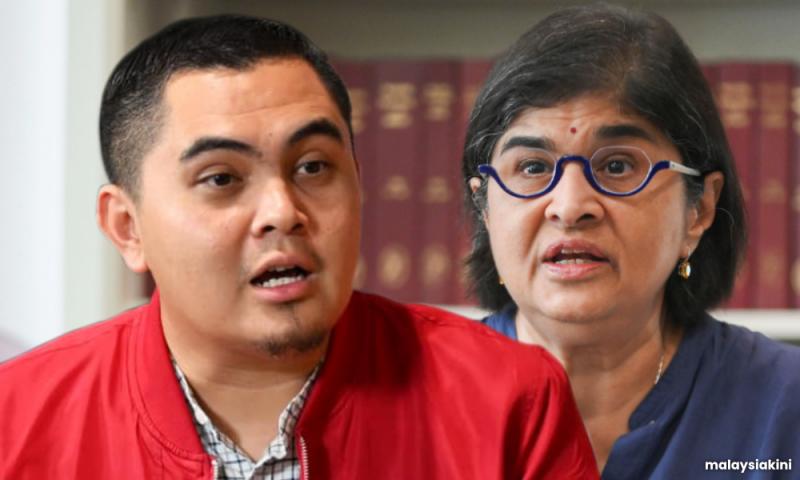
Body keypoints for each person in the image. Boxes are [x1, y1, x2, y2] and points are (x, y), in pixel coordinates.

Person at [0, 14, 598, 479]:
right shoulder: (14, 422)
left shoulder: (510, 402)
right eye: (221, 178)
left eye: (313, 167)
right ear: (128, 228)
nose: (283, 212)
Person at [463, 4, 800, 479]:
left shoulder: (784, 408)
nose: (570, 206)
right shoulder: (413, 404)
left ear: (699, 209)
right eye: (533, 167)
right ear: (485, 209)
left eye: (617, 166)